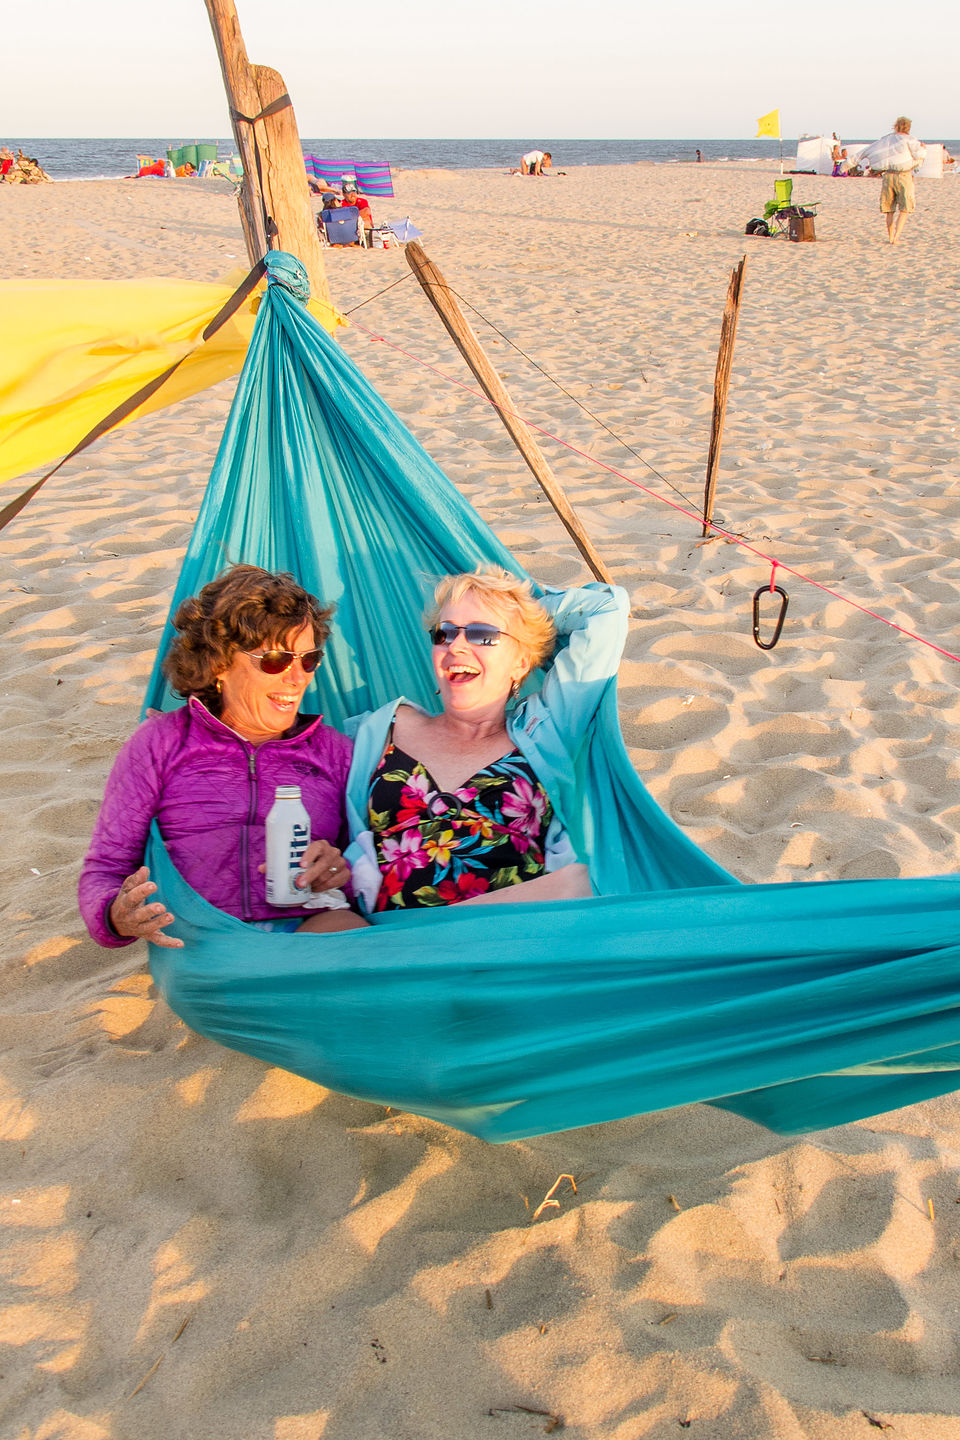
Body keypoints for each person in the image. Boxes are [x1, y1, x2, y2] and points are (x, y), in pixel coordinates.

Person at [79, 565, 367, 948]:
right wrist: (115, 917)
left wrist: (337, 868)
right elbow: (107, 866)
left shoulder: (335, 752)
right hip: (204, 942)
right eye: (275, 660)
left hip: (307, 932)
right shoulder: (161, 743)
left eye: (309, 659)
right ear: (219, 663)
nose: (297, 678)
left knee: (353, 937)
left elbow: (364, 863)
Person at [344, 568, 624, 913]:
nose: (456, 645)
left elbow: (605, 611)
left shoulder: (545, 730)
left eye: (482, 634)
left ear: (521, 662)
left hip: (508, 936)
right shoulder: (382, 728)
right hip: (393, 942)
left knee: (576, 882)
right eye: (444, 633)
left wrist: (524, 614)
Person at [858, 116, 926, 244]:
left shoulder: (886, 139)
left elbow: (868, 151)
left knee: (889, 210)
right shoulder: (909, 139)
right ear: (908, 127)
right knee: (905, 209)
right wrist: (923, 148)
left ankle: (890, 237)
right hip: (903, 175)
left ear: (896, 125)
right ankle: (896, 238)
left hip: (888, 175)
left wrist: (846, 165)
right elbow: (919, 155)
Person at [340, 178, 373, 245]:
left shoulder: (362, 201)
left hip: (358, 225)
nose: (352, 195)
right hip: (350, 227)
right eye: (349, 193)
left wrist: (350, 218)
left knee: (366, 221)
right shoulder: (342, 203)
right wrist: (358, 217)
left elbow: (367, 211)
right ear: (344, 194)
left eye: (354, 191)